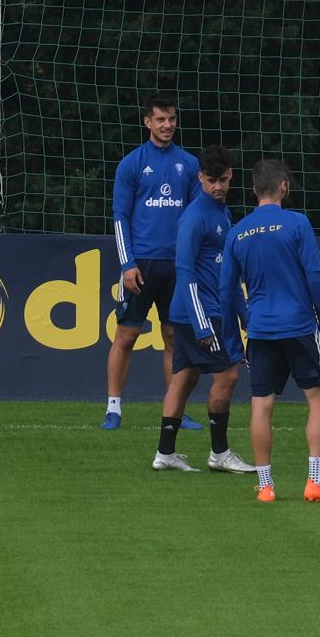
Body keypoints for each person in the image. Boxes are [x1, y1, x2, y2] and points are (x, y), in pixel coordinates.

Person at [221, 159, 320, 502]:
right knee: (317, 400)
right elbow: (315, 277)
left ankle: (265, 486)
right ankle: (315, 481)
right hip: (300, 327)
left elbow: (225, 291)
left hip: (260, 331)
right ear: (284, 188)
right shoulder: (297, 223)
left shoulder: (237, 233)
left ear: (254, 189)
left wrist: (232, 339)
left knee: (261, 405)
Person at [152, 145, 255, 475]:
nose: (217, 187)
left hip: (203, 311)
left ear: (231, 176)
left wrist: (246, 317)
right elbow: (184, 270)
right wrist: (201, 325)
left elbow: (229, 272)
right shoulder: (195, 217)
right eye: (211, 180)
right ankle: (219, 452)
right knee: (228, 375)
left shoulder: (222, 213)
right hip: (199, 313)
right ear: (200, 178)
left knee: (183, 379)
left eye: (223, 180)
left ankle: (165, 453)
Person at [102, 93, 202, 430]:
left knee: (174, 337)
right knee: (126, 336)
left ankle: (176, 409)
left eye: (171, 119)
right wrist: (126, 264)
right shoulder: (132, 163)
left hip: (177, 266)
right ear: (147, 122)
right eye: (160, 119)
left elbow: (195, 217)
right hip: (140, 265)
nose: (167, 125)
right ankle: (113, 408)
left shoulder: (188, 164)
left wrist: (192, 263)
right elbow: (120, 217)